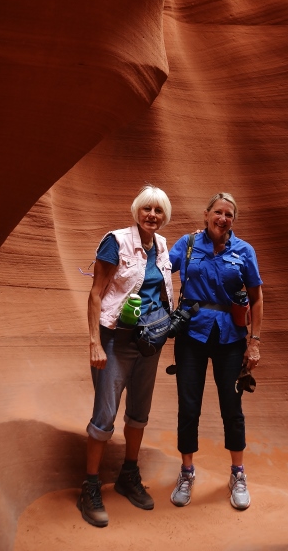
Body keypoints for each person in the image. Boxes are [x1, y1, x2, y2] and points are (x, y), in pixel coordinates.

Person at [77, 184, 174, 528]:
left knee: (139, 413)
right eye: (147, 209)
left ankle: (127, 475)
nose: (152, 216)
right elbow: (95, 294)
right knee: (105, 414)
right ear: (137, 210)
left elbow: (161, 290)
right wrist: (94, 343)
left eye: (159, 211)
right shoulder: (115, 241)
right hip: (115, 340)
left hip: (149, 341)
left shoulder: (161, 245)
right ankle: (89, 486)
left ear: (165, 216)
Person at [169, 192, 263, 511]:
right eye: (218, 212)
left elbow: (257, 296)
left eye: (230, 215)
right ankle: (186, 471)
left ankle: (237, 473)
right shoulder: (188, 244)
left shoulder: (244, 251)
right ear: (206, 214)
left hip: (231, 338)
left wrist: (255, 341)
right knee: (189, 405)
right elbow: (160, 271)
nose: (223, 219)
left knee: (231, 408)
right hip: (191, 335)